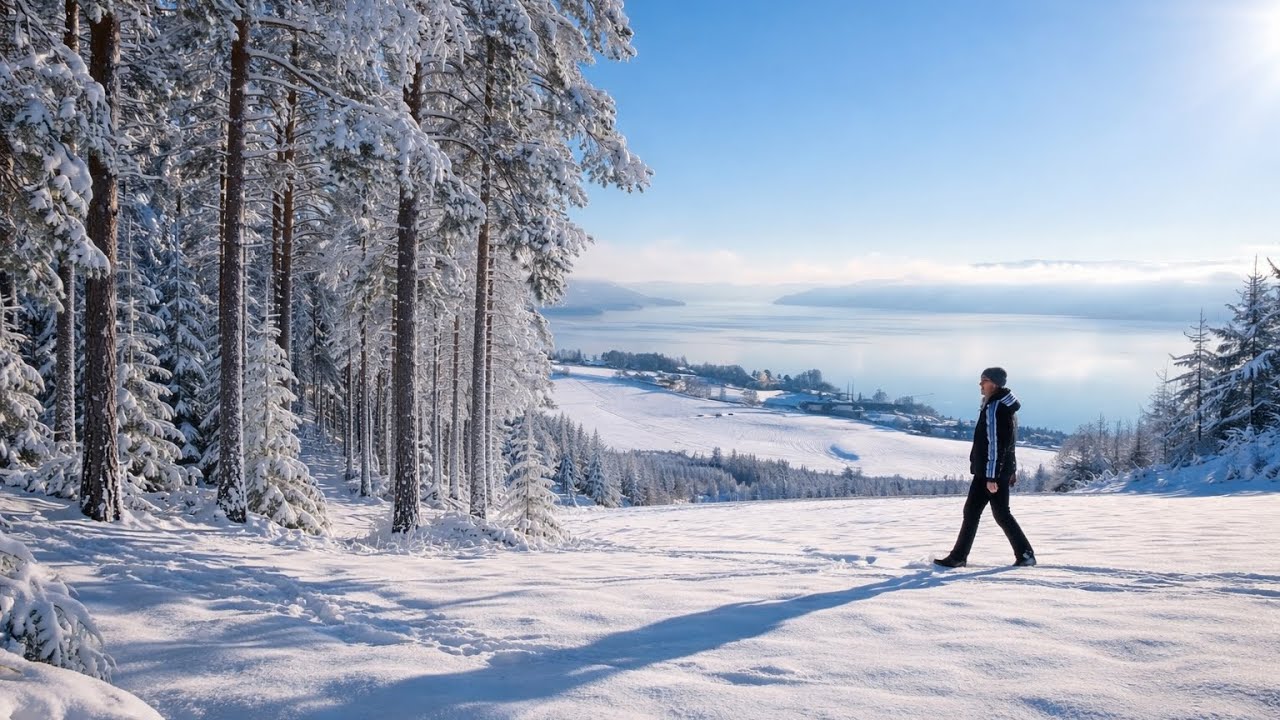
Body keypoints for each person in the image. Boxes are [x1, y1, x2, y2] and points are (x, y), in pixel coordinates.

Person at [934, 367, 1036, 568]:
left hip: (989, 473)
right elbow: (1010, 442)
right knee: (998, 514)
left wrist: (991, 478)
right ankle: (1025, 555)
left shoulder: (995, 407)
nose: (980, 384)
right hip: (998, 471)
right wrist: (1010, 470)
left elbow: (995, 444)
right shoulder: (1004, 406)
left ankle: (959, 557)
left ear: (994, 384)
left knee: (975, 512)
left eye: (984, 380)